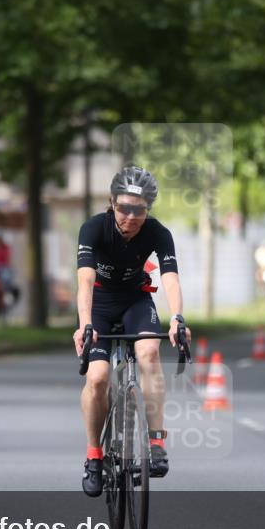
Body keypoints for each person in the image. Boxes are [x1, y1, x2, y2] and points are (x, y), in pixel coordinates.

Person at [73, 166, 191, 497]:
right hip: (99, 304)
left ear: (148, 209)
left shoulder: (157, 233)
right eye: (124, 207)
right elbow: (84, 281)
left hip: (136, 301)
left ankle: (156, 442)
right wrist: (85, 323)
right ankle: (94, 456)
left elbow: (170, 277)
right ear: (112, 203)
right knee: (97, 378)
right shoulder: (93, 229)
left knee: (149, 352)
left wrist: (177, 318)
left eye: (139, 209)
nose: (130, 216)